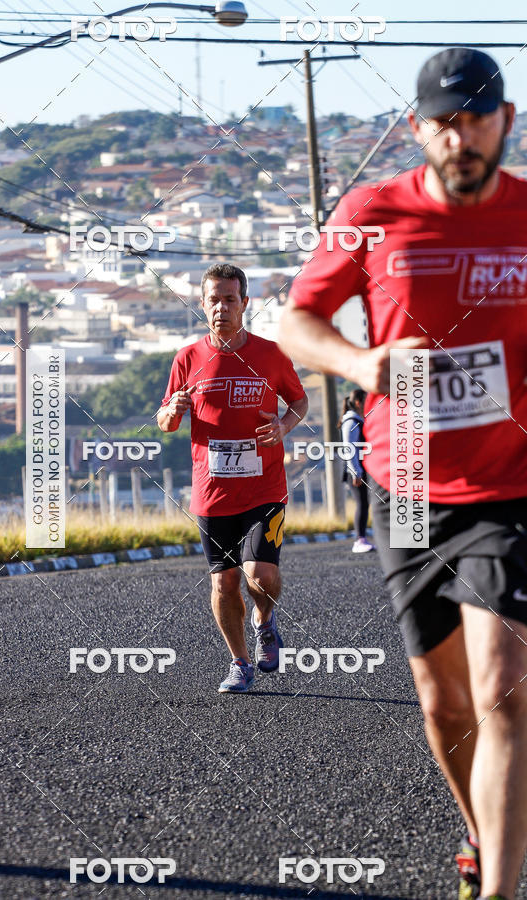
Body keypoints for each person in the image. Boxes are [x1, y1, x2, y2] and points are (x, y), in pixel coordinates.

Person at [279, 47, 527, 900]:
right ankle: (475, 828)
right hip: (410, 481)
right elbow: (297, 323)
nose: (462, 137)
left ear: (507, 121)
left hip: (511, 483)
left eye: (478, 118)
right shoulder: (372, 210)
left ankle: (497, 888)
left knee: (502, 691)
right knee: (444, 702)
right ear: (419, 129)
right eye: (445, 122)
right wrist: (364, 362)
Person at [158, 263, 308, 694]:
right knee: (224, 582)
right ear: (203, 305)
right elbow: (166, 420)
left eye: (229, 299)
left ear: (245, 304)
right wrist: (172, 411)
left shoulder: (271, 354)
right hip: (212, 491)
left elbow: (299, 402)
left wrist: (283, 426)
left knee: (261, 574)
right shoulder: (187, 359)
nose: (221, 308)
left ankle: (265, 620)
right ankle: (239, 663)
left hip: (265, 487)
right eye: (213, 300)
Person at [337, 389, 374, 553]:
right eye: (366, 400)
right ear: (358, 402)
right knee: (362, 503)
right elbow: (349, 448)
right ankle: (359, 540)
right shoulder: (351, 421)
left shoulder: (358, 420)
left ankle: (362, 538)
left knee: (365, 503)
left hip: (362, 470)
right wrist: (356, 472)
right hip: (356, 472)